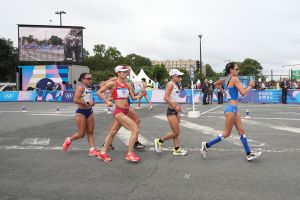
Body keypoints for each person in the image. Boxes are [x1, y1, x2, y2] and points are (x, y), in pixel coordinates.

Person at [200, 62, 262, 161]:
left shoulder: (226, 79)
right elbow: (243, 93)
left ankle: (249, 153)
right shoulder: (234, 78)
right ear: (231, 70)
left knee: (241, 131)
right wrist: (250, 86)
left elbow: (215, 84)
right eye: (236, 69)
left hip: (233, 108)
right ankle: (206, 145)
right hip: (230, 109)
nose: (238, 71)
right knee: (226, 133)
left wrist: (224, 91)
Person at [97, 65, 142, 162]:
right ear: (118, 73)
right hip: (119, 112)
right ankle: (130, 154)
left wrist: (140, 95)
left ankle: (103, 152)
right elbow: (99, 92)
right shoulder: (113, 83)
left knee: (112, 132)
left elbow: (133, 98)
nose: (126, 73)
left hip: (125, 111)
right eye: (124, 71)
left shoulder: (128, 85)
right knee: (135, 130)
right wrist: (106, 101)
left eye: (127, 71)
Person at [62, 73, 99, 156]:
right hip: (81, 112)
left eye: (91, 78)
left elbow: (89, 100)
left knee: (90, 132)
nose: (90, 80)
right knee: (81, 134)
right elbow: (75, 100)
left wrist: (93, 103)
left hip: (89, 111)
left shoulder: (90, 88)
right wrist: (88, 102)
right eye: (88, 79)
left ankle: (92, 149)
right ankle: (68, 139)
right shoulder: (80, 87)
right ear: (82, 79)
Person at [154, 69, 187, 156]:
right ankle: (159, 141)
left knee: (175, 132)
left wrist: (178, 107)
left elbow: (174, 98)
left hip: (176, 111)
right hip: (171, 111)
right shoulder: (170, 84)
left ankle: (176, 149)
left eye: (180, 76)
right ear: (173, 76)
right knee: (176, 132)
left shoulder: (175, 85)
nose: (180, 77)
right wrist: (175, 106)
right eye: (179, 76)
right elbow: (166, 97)